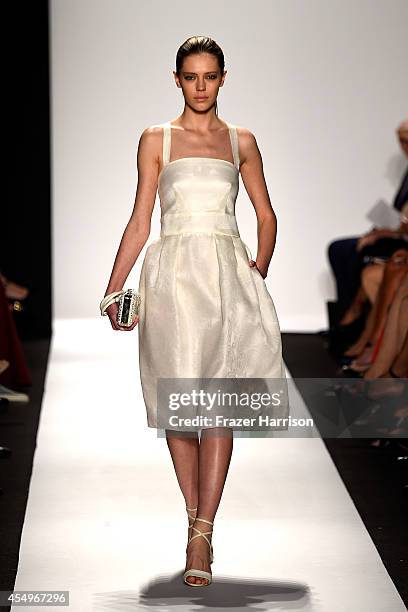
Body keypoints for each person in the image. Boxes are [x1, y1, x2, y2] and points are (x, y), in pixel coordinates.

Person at [101, 36, 286, 587]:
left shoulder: (241, 141)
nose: (201, 86)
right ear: (177, 79)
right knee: (179, 406)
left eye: (210, 76)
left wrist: (259, 267)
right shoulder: (155, 139)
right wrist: (114, 288)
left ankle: (201, 532)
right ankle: (195, 522)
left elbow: (267, 214)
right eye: (191, 77)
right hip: (174, 278)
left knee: (219, 406)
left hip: (227, 277)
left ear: (223, 78)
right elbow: (140, 220)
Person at [327, 119, 408, 322]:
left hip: (402, 241)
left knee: (357, 250)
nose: (403, 147)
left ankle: (353, 318)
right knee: (339, 249)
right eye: (401, 141)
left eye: (406, 141)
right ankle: (347, 315)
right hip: (397, 233)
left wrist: (385, 232)